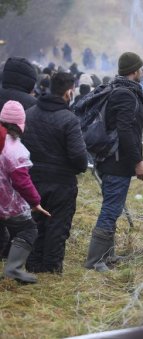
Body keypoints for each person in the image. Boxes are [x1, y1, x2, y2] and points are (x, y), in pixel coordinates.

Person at [84, 52, 143, 272]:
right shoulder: (125, 94)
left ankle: (107, 255)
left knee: (113, 206)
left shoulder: (118, 89)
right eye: (141, 68)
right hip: (116, 161)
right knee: (111, 208)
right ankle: (95, 261)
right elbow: (125, 131)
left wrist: (142, 115)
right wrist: (138, 162)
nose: (142, 72)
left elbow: (123, 121)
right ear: (134, 71)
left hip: (111, 160)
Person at [22, 72, 88, 273]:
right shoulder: (69, 120)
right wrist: (78, 169)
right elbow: (79, 157)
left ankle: (32, 264)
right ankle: (51, 268)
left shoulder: (29, 113)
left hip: (33, 179)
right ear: (69, 92)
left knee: (35, 223)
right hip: (62, 183)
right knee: (57, 226)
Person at [0, 101, 51, 283]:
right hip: (6, 202)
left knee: (2, 234)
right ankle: (13, 269)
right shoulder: (14, 149)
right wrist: (35, 201)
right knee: (28, 229)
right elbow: (22, 182)